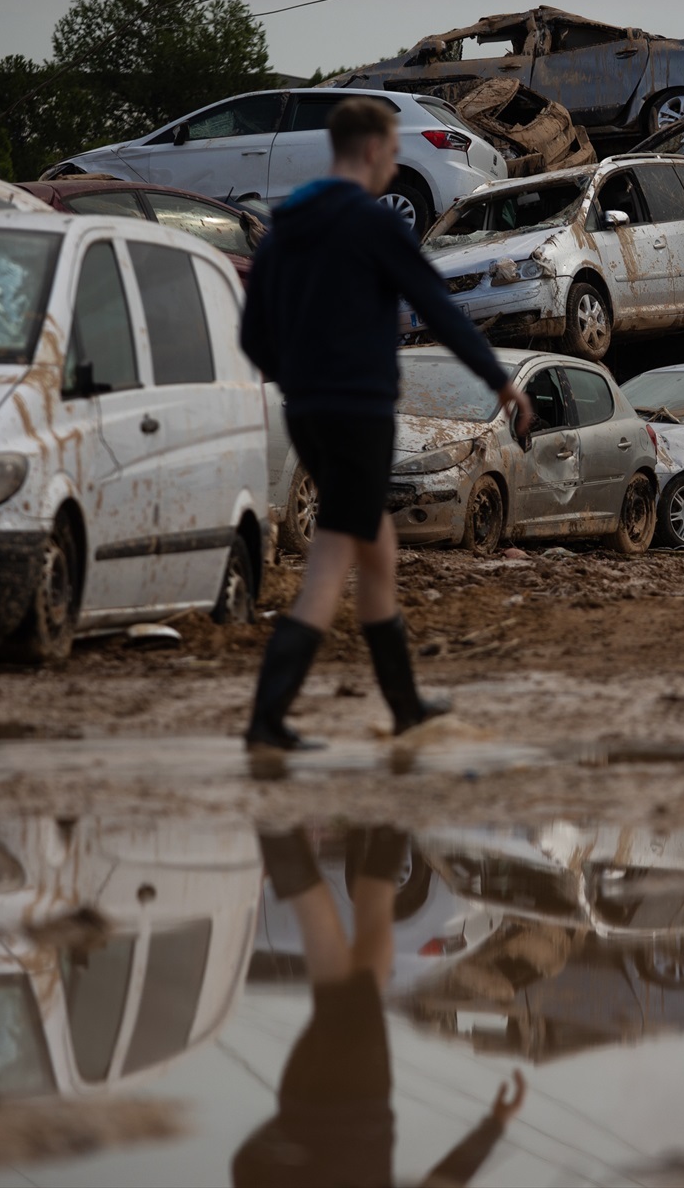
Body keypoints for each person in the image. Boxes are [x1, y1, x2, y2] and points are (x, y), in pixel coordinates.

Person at [240, 97, 533, 750]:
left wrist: (299, 377)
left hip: (307, 412)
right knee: (331, 564)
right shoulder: (374, 226)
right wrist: (501, 380)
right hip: (361, 413)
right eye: (393, 151)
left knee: (379, 552)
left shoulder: (285, 228)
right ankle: (267, 719)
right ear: (372, 150)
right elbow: (440, 309)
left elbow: (253, 335)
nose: (393, 164)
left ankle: (405, 709)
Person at [235, 827, 528, 1188]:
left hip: (355, 1105)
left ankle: (287, 827)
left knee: (350, 960)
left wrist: (494, 1127)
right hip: (302, 1102)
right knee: (356, 974)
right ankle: (381, 826)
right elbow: (245, 1170)